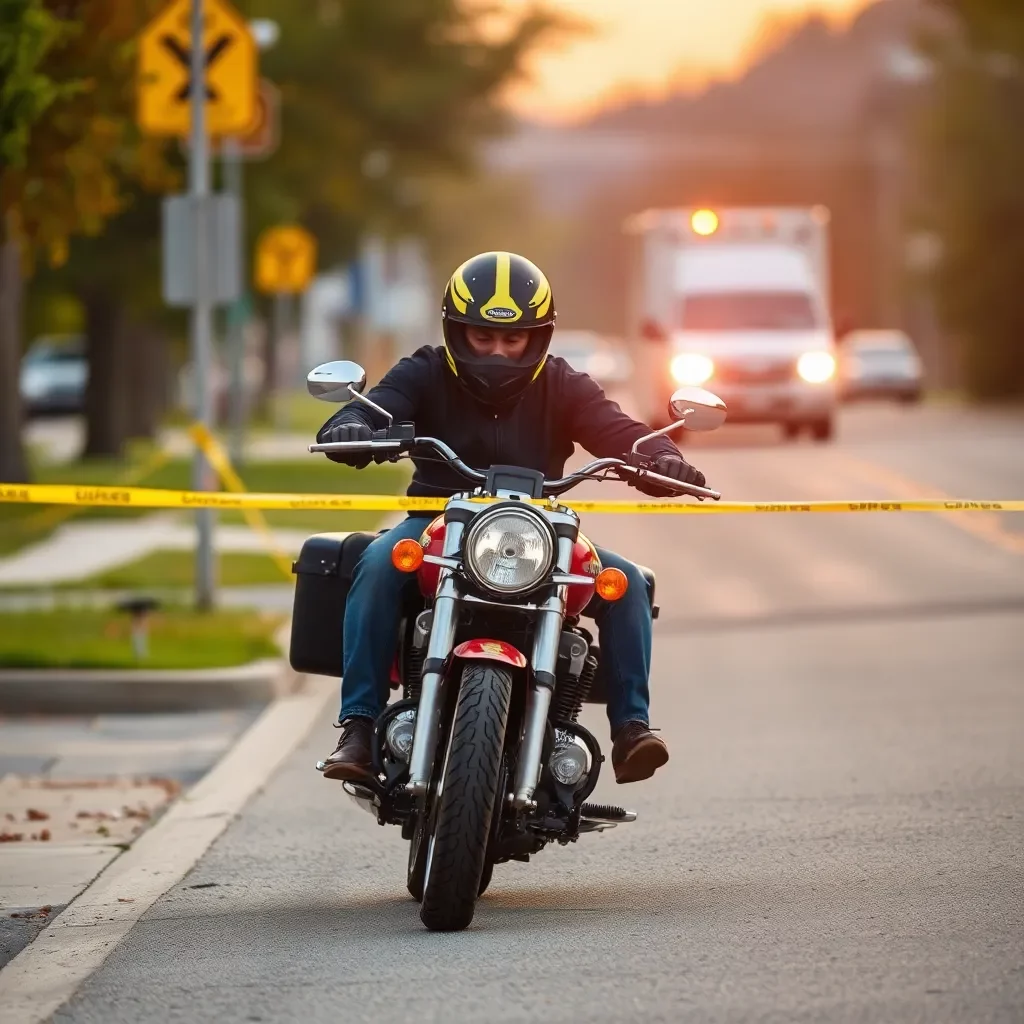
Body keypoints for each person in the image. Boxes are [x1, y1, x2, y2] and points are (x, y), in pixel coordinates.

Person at [317, 251, 705, 786]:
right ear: (457, 331)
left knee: (628, 583)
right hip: (435, 524)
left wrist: (663, 460)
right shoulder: (424, 370)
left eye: (513, 339)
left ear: (538, 336)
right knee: (379, 563)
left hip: (539, 532)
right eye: (483, 337)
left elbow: (618, 432)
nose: (498, 351)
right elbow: (376, 406)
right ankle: (357, 726)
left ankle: (631, 729)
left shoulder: (562, 382)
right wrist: (353, 424)